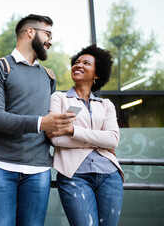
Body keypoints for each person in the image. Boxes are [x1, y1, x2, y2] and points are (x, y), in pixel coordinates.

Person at [0, 14, 76, 226]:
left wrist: (60, 126)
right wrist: (42, 123)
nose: (50, 41)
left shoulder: (48, 76)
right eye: (47, 34)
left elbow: (48, 122)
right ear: (30, 32)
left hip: (38, 171)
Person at [47, 44, 125, 226]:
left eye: (86, 63)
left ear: (97, 74)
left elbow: (113, 139)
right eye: (77, 62)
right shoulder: (59, 98)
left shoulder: (106, 105)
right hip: (75, 175)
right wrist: (99, 141)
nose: (78, 65)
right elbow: (56, 138)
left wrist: (73, 130)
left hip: (110, 175)